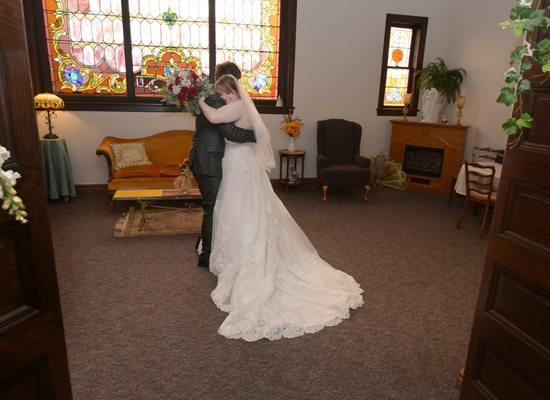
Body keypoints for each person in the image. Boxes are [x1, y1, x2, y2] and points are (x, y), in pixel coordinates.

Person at [198, 75, 364, 341]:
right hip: (236, 165)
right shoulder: (239, 105)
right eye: (221, 94)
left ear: (233, 90)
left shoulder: (239, 105)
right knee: (237, 213)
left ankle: (248, 259)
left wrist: (200, 100)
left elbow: (215, 118)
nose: (224, 98)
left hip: (240, 166)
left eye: (225, 93)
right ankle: (236, 256)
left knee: (243, 213)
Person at [189, 62, 256, 268]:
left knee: (218, 206)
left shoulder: (211, 96)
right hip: (209, 160)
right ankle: (207, 255)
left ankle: (206, 244)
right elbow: (230, 133)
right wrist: (258, 135)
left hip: (208, 158)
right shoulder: (214, 99)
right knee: (214, 208)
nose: (228, 94)